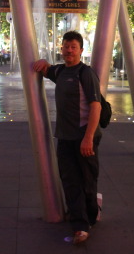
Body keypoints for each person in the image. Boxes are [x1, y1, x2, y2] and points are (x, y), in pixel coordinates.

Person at [32, 31, 103, 245]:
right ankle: (80, 226)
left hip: (84, 136)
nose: (69, 50)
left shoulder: (85, 73)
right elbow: (47, 69)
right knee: (70, 181)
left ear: (81, 50)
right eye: (66, 47)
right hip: (64, 137)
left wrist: (88, 138)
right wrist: (43, 63)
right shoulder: (60, 71)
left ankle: (91, 214)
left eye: (73, 47)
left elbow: (96, 107)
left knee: (87, 181)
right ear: (61, 49)